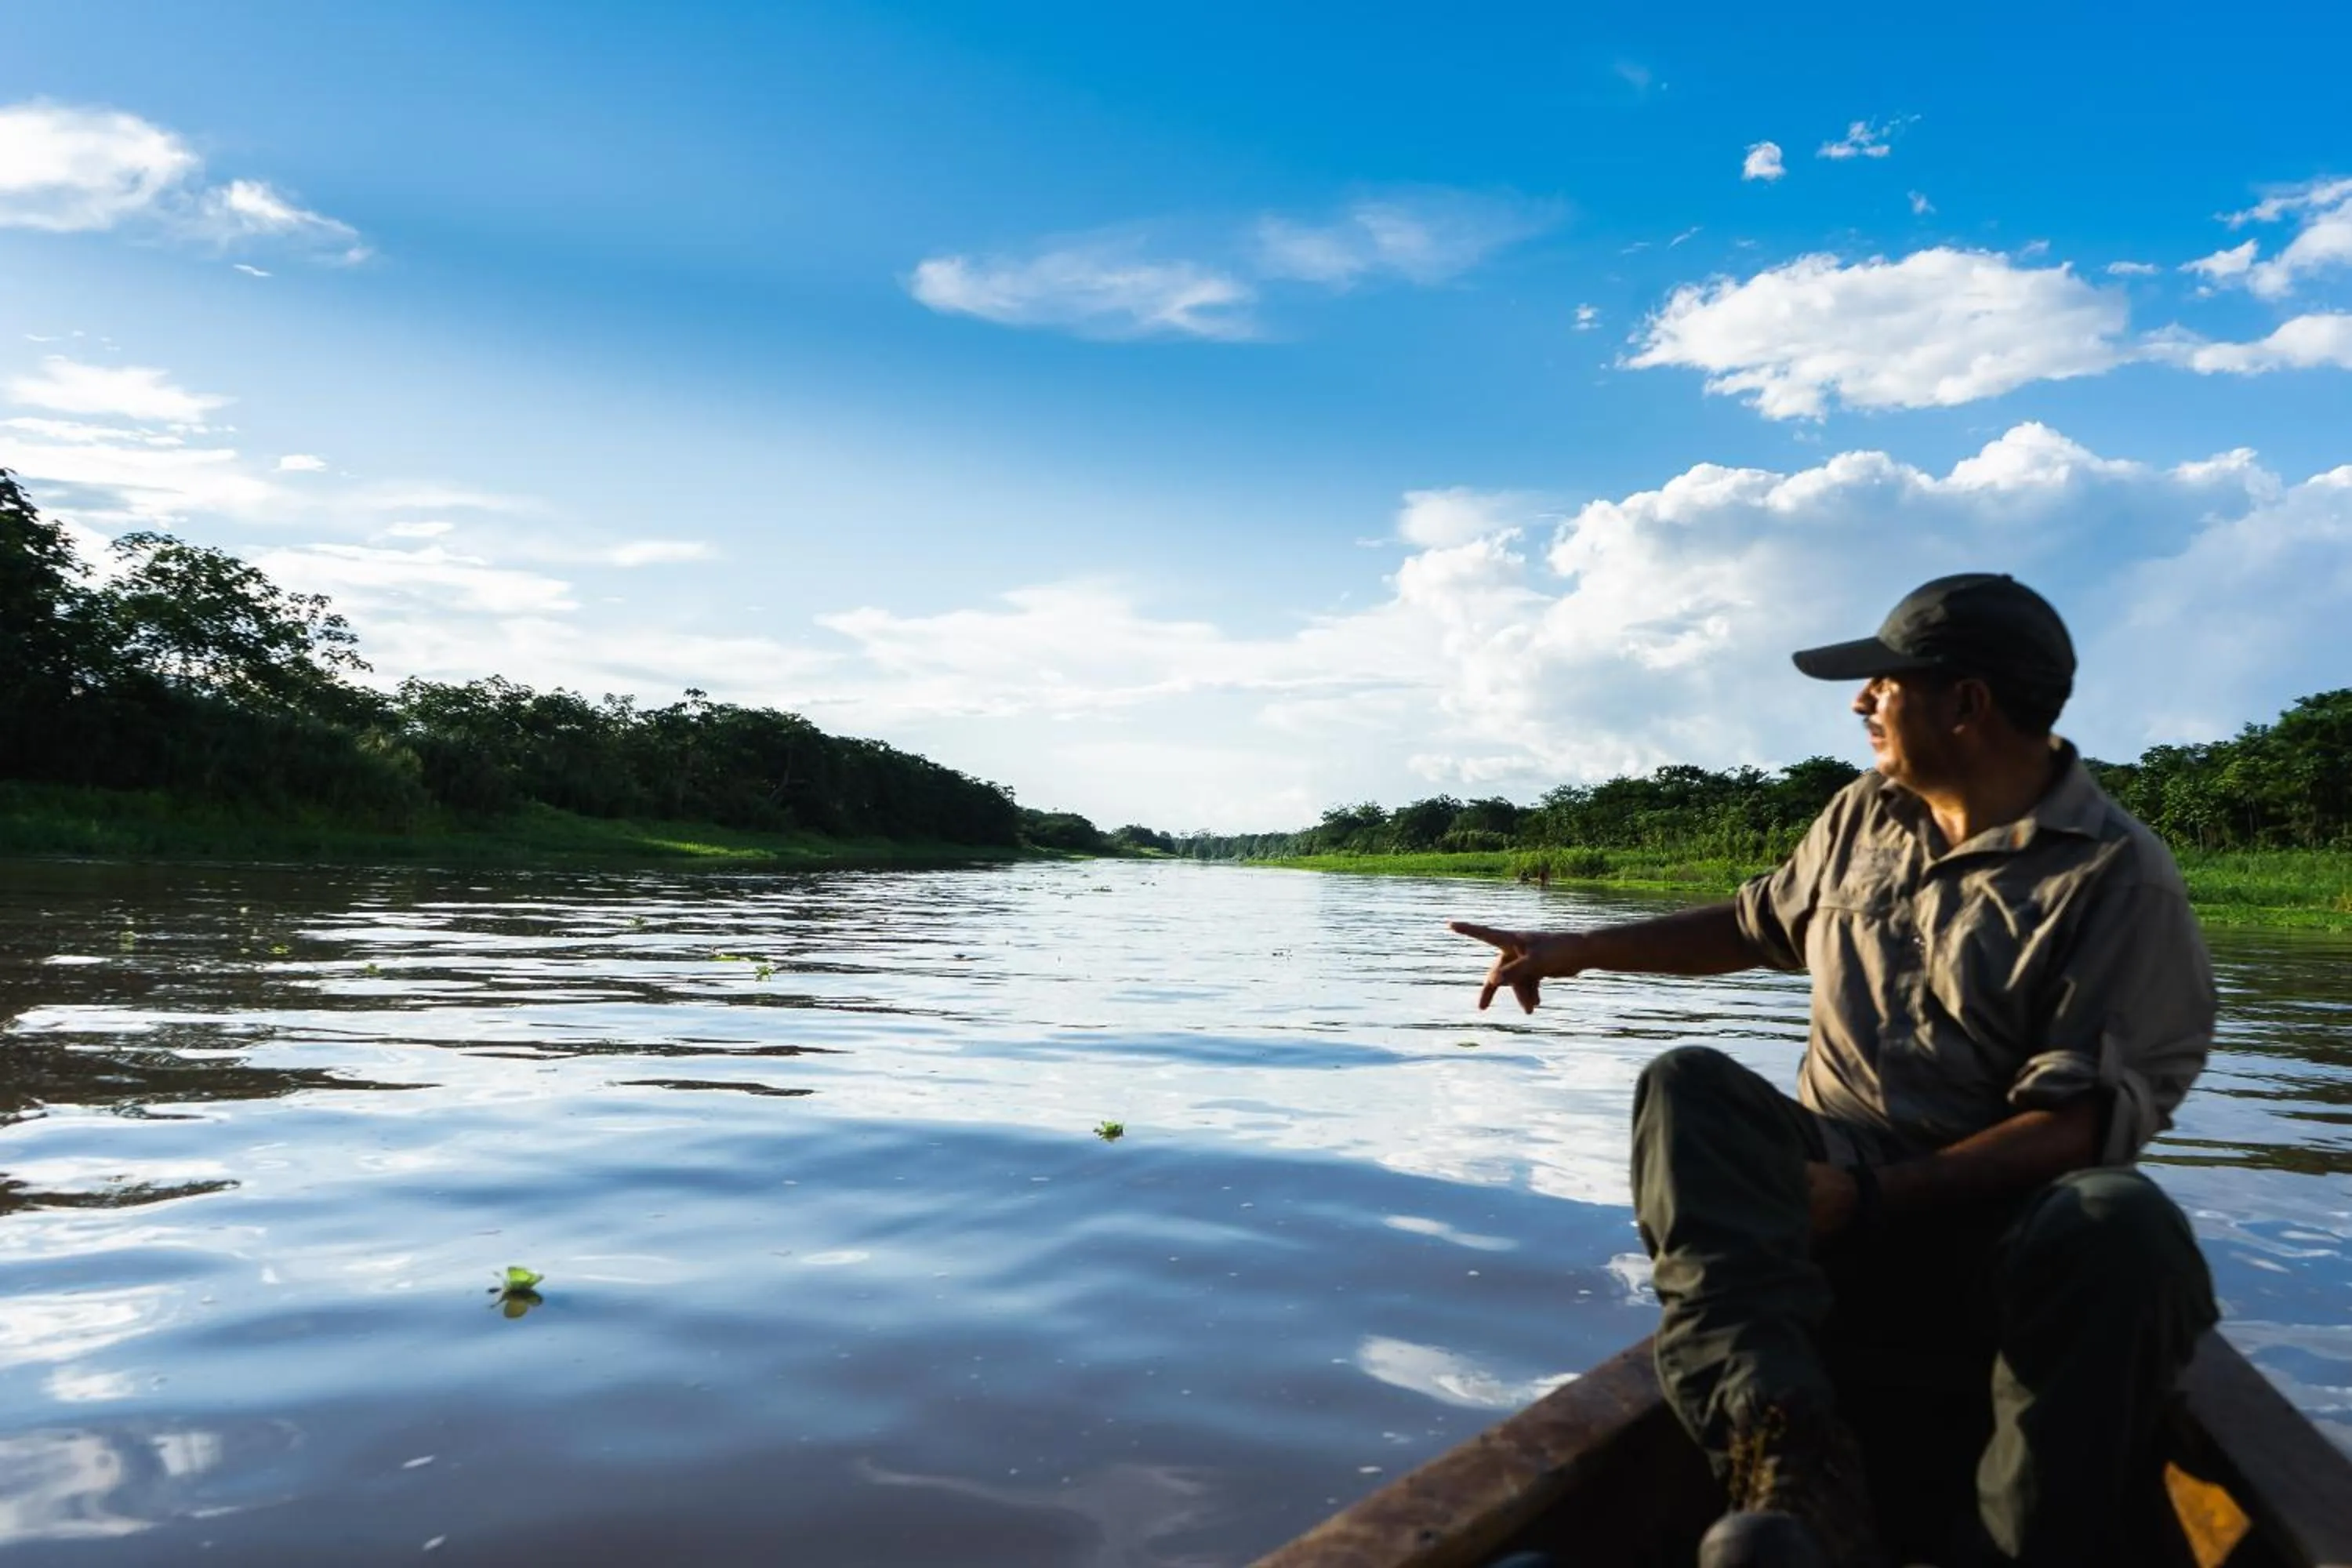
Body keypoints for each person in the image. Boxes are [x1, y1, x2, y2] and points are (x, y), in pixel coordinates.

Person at [1452, 575, 2219, 1568]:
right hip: (1830, 1209)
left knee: (2123, 1223)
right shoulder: (1865, 814)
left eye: (1883, 683)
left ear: (1967, 702)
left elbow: (2077, 1125)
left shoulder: (2116, 878)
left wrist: (1863, 1198)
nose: (1861, 701)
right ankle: (1784, 1446)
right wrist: (1580, 948)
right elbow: (1750, 922)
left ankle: (2013, 1543)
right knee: (1690, 1088)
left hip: (2000, 1241)